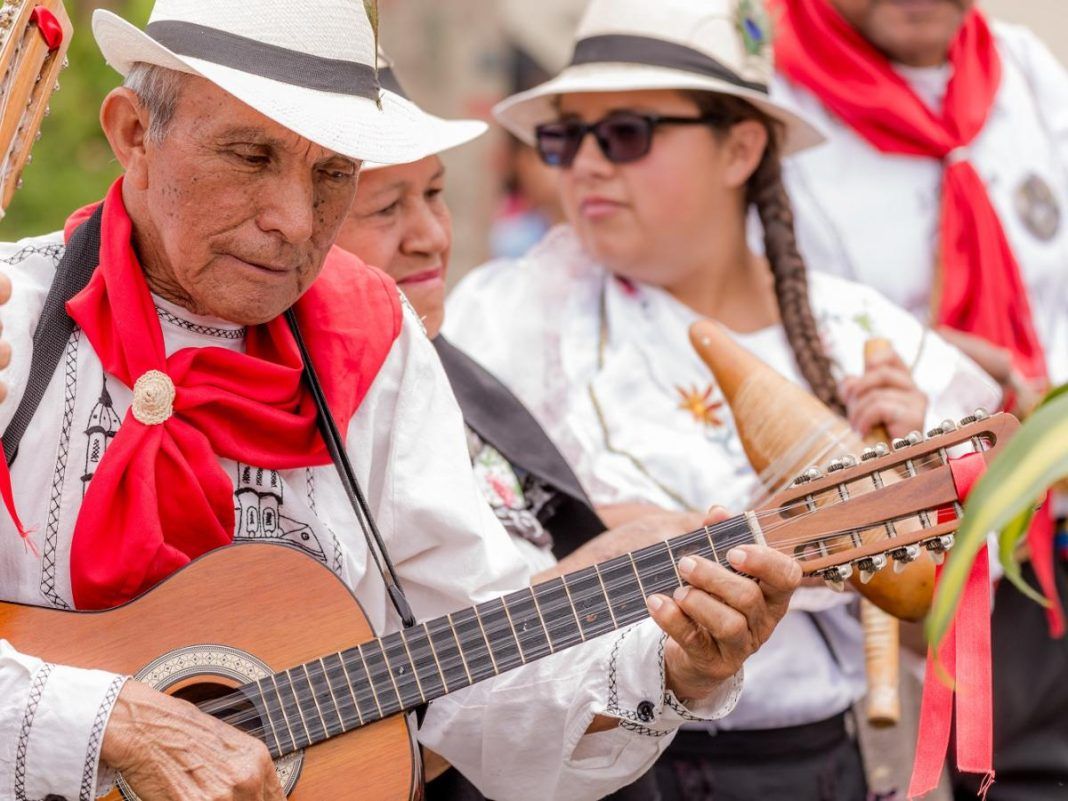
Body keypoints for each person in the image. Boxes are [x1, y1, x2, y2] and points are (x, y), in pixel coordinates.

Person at [0, 3, 804, 801]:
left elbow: (482, 687)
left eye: (333, 175)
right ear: (134, 134)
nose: (293, 219)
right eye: (250, 156)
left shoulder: (375, 344)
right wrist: (108, 724)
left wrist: (666, 665)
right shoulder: (12, 315)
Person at [443, 0, 1000, 798]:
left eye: (627, 133)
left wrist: (919, 523)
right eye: (564, 137)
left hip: (806, 770)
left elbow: (945, 636)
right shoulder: (500, 319)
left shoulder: (865, 334)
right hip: (578, 771)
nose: (586, 165)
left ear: (741, 146)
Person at [337, 53, 715, 801]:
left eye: (437, 194)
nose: (430, 236)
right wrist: (587, 575)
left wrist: (616, 541)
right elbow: (360, 694)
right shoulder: (310, 403)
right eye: (387, 208)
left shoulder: (452, 369)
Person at [769, 1, 1068, 797]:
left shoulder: (1022, 71)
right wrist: (953, 376)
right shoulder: (769, 91)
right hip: (925, 553)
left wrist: (1029, 392)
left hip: (1056, 512)